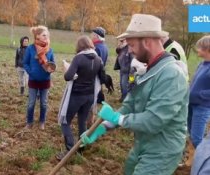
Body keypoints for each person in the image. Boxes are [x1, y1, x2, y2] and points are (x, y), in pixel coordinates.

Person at [81, 14, 188, 175]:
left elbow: (154, 120)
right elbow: (130, 105)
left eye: (131, 45)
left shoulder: (171, 75)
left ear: (146, 41)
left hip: (162, 149)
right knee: (129, 169)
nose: (129, 50)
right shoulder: (147, 70)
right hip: (143, 143)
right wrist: (102, 127)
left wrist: (118, 119)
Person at [56, 35, 106, 160]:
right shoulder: (98, 59)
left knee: (65, 121)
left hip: (76, 96)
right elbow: (103, 78)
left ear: (79, 46)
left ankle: (69, 150)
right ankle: (81, 147)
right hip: (89, 96)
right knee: (82, 121)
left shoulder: (78, 58)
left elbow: (68, 77)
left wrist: (68, 68)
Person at [23, 25, 55, 130]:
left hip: (45, 81)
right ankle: (29, 122)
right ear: (37, 36)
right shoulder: (30, 49)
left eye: (47, 35)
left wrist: (51, 68)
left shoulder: (50, 50)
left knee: (44, 103)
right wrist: (31, 72)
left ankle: (42, 121)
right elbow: (25, 63)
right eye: (44, 35)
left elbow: (52, 63)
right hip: (33, 80)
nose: (46, 37)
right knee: (31, 103)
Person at [188, 35, 210, 148]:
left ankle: (205, 162)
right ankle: (193, 162)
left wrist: (200, 95)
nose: (198, 50)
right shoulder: (201, 64)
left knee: (197, 139)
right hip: (191, 104)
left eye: (200, 47)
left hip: (202, 107)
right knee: (192, 135)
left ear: (208, 49)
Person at [91, 27, 108, 104]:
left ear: (97, 36)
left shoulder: (96, 48)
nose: (91, 36)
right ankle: (100, 98)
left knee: (95, 85)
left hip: (96, 69)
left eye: (93, 34)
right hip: (101, 68)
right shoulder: (104, 46)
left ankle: (99, 98)